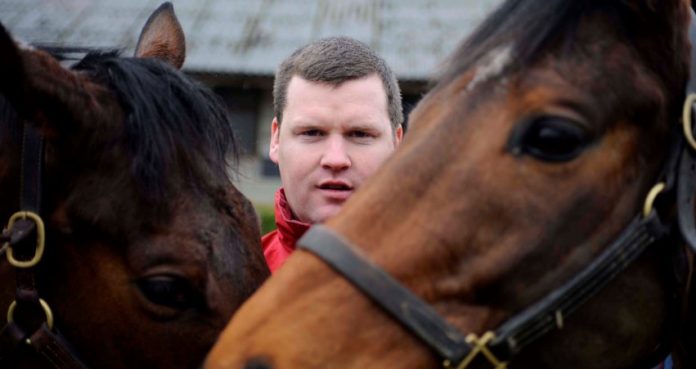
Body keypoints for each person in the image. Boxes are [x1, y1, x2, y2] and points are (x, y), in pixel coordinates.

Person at [262, 36, 404, 272]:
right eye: (312, 132)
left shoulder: (450, 289)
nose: (336, 159)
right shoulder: (229, 286)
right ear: (276, 139)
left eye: (360, 134)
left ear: (397, 144)